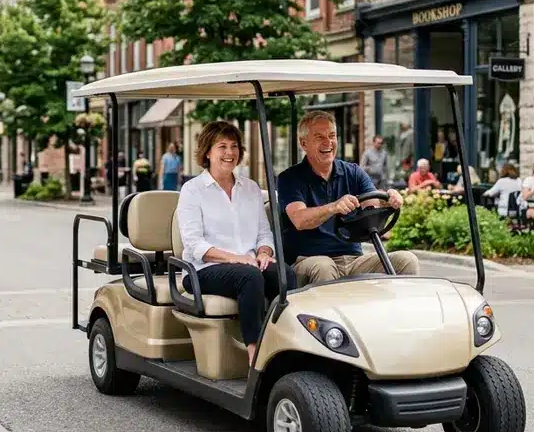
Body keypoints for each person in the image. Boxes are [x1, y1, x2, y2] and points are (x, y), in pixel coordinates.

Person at [176, 121, 295, 367]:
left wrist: (264, 252)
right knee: (249, 277)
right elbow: (194, 244)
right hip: (202, 270)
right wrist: (237, 258)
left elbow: (264, 233)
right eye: (222, 147)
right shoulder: (193, 190)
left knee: (286, 274)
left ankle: (285, 345)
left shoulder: (250, 189)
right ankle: (255, 354)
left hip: (249, 264)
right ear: (207, 152)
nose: (230, 153)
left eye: (234, 146)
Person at [277, 111, 419, 285]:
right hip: (309, 259)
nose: (328, 142)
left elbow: (372, 205)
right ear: (303, 143)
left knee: (407, 260)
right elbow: (299, 219)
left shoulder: (353, 172)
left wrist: (388, 199)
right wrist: (333, 207)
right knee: (324, 267)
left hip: (353, 259)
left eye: (332, 135)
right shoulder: (290, 178)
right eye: (319, 137)